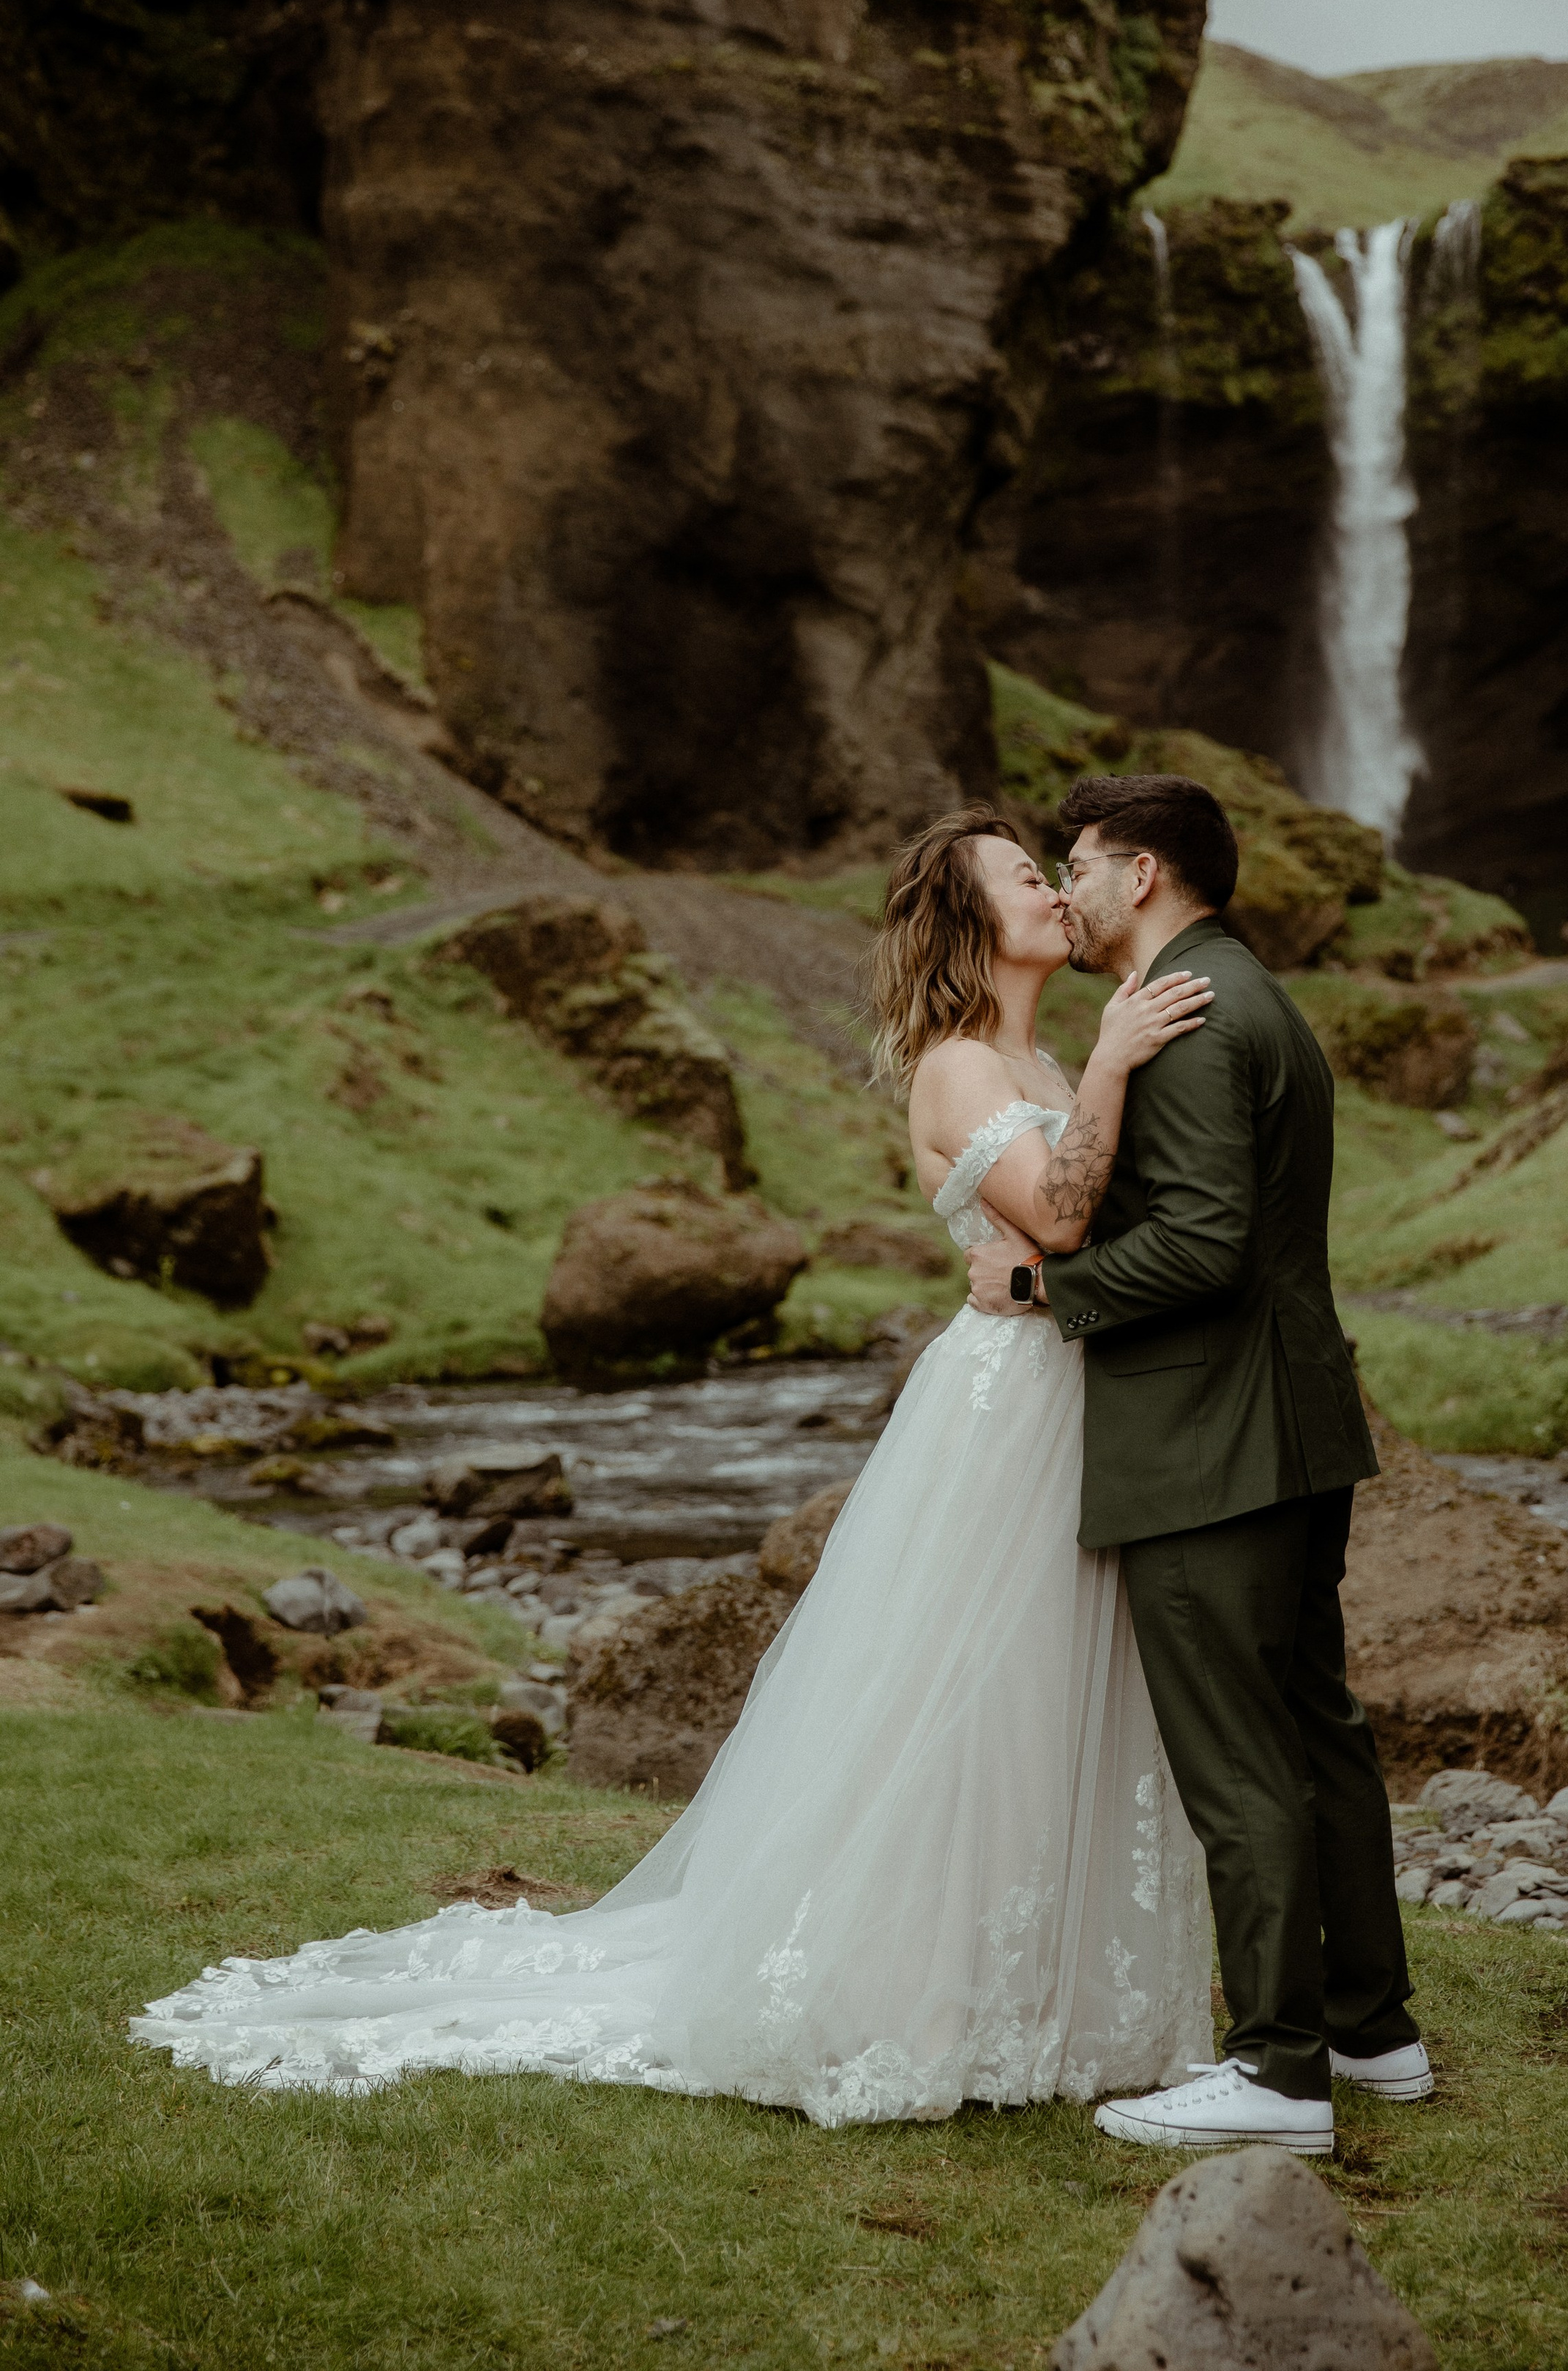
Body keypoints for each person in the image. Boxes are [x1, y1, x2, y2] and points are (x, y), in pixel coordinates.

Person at [128, 809, 1222, 2122]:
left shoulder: (1039, 1056)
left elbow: (1078, 1239)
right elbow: (1053, 1211)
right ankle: (921, 2000)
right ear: (965, 922)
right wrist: (1108, 1071)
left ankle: (1049, 2000)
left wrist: (1086, 1107)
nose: (1053, 892)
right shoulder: (961, 1069)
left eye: (1055, 874)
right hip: (1006, 1419)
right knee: (967, 1700)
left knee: (1058, 1689)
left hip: (1074, 1394)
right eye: (1024, 879)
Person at [965, 771, 1427, 2155]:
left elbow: (1204, 1242)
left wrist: (1046, 1292)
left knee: (1237, 1757)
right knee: (1311, 1731)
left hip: (1210, 1438)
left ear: (1146, 873)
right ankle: (1373, 2029)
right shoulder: (1243, 993)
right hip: (1286, 1421)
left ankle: (1279, 2074)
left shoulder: (1193, 1022)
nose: (1070, 887)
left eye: (1082, 863)